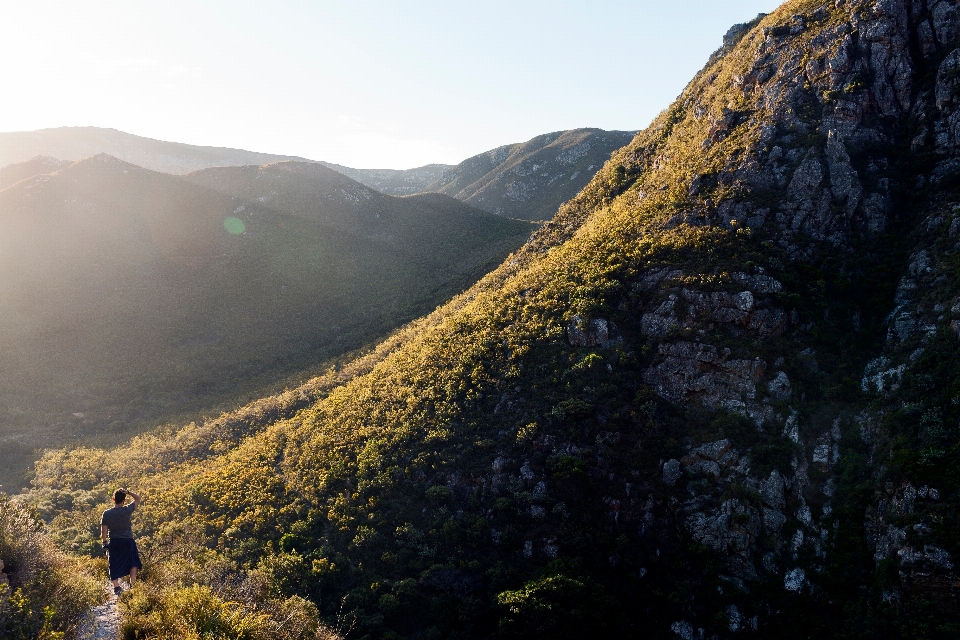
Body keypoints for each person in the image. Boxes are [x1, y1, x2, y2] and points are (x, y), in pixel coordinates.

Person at [100, 487, 143, 596]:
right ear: (124, 501)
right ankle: (132, 584)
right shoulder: (127, 510)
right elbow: (138, 499)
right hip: (128, 541)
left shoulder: (107, 513)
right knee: (133, 562)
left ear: (113, 499)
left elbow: (103, 530)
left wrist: (104, 542)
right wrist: (128, 492)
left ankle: (116, 587)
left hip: (114, 541)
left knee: (113, 563)